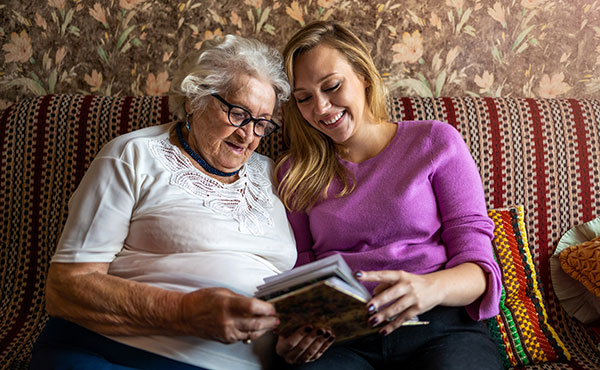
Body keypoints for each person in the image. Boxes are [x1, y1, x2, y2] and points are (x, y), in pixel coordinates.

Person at [30, 34, 297, 370]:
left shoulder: (273, 175)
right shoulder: (132, 156)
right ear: (194, 99)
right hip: (115, 353)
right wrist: (185, 314)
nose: (248, 136)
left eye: (262, 124)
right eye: (238, 113)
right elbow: (65, 288)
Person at [273, 21, 503, 369]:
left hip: (439, 324)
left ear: (364, 76)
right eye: (305, 98)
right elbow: (299, 267)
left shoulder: (435, 141)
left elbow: (479, 269)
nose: (320, 108)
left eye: (332, 86)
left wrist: (429, 289)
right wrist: (290, 332)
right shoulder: (294, 171)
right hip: (341, 338)